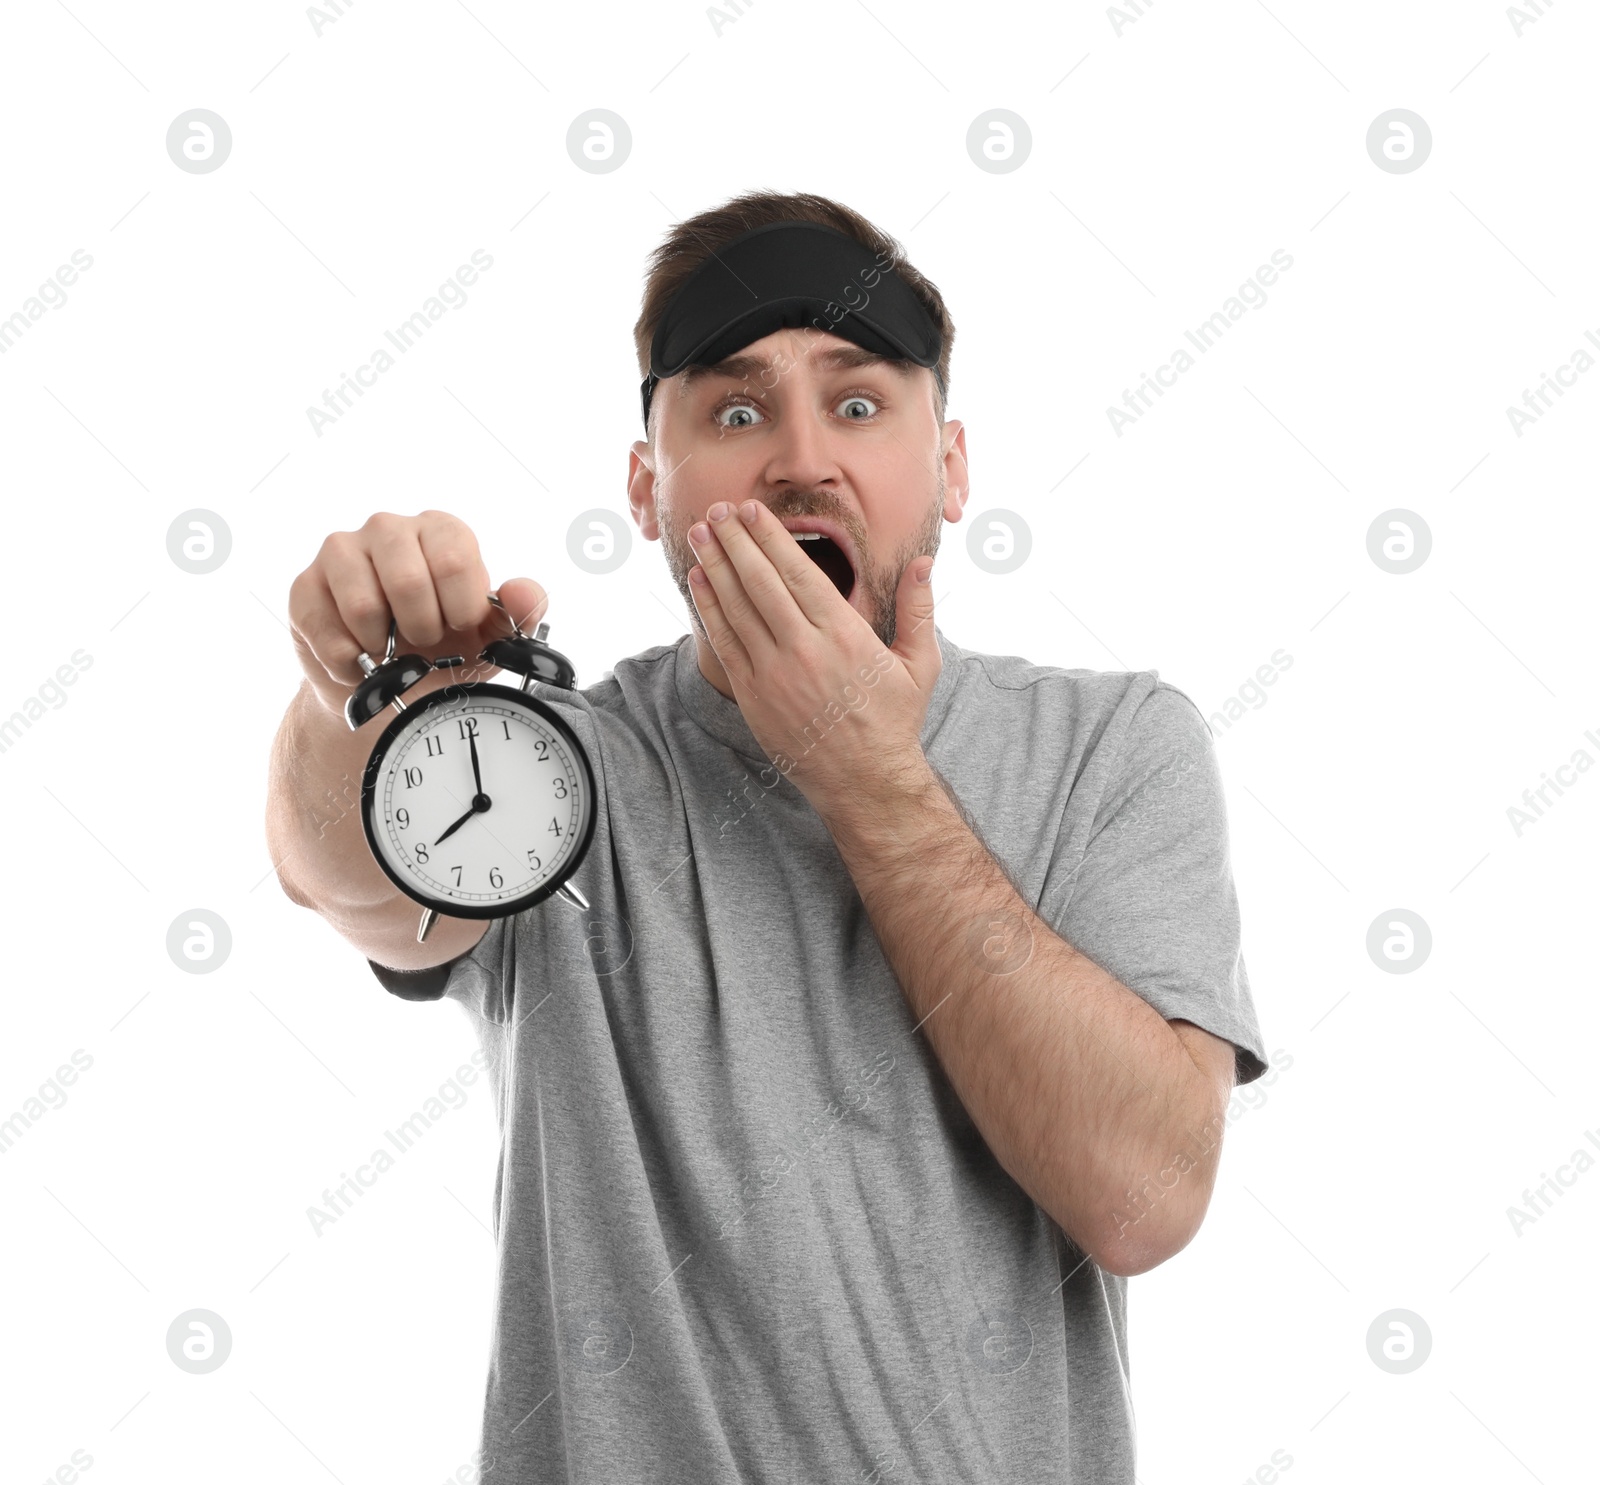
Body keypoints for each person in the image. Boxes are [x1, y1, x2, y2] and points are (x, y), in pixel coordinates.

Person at [268, 188, 1269, 1483]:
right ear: (647, 486)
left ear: (951, 465)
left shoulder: (1111, 748)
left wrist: (865, 772)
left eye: (857, 404)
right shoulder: (568, 767)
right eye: (735, 412)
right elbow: (333, 866)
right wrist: (351, 685)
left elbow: (1143, 1192)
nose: (802, 458)